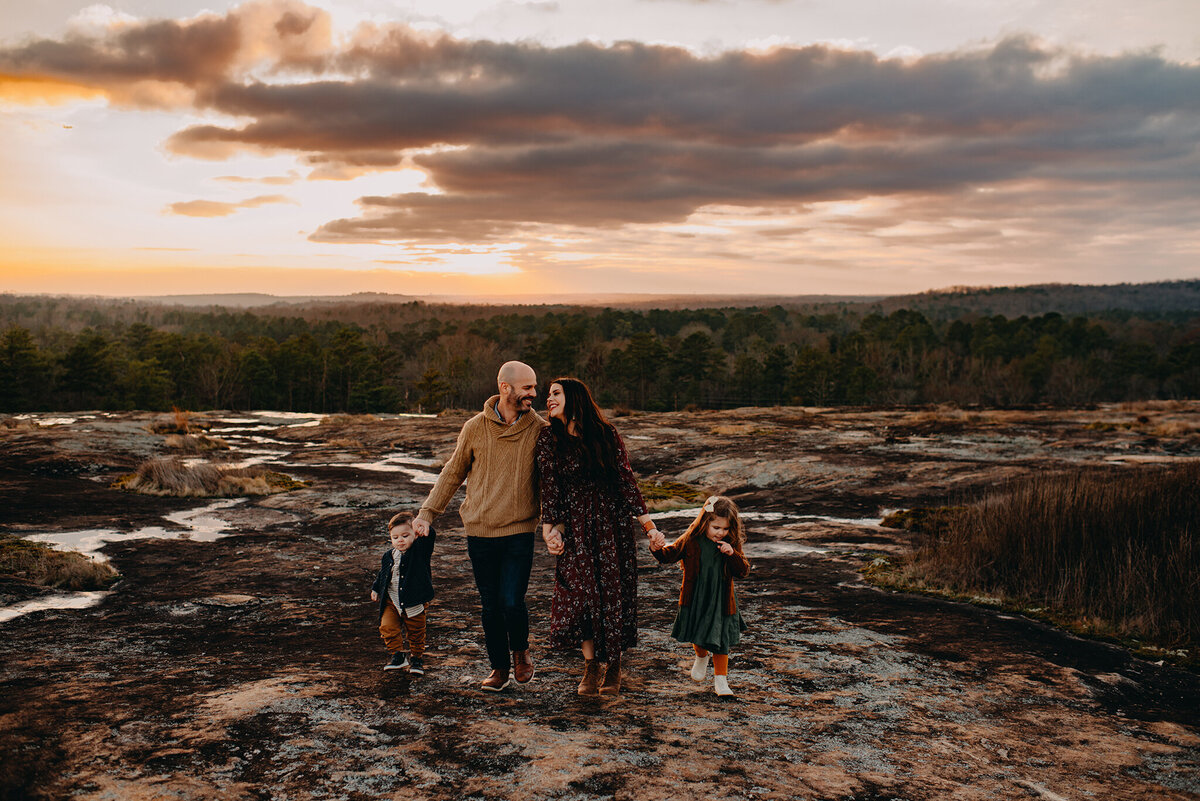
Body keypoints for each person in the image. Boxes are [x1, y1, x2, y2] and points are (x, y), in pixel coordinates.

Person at [413, 361, 547, 692]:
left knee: (512, 602)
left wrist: (557, 523)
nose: (534, 393)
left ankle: (520, 652)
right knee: (490, 605)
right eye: (527, 387)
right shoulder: (474, 427)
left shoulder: (540, 429)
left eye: (534, 386)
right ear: (506, 388)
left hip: (519, 532)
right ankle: (499, 668)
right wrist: (427, 513)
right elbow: (453, 471)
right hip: (480, 533)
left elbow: (554, 481)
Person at [536, 377, 666, 697]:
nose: (548, 399)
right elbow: (550, 490)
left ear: (574, 397)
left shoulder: (605, 434)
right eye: (547, 394)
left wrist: (650, 529)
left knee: (611, 595)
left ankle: (615, 665)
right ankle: (591, 665)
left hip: (611, 525)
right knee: (579, 596)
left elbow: (625, 481)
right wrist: (549, 530)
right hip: (575, 528)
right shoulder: (548, 438)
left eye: (555, 394)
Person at [650, 495, 750, 697]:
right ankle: (701, 656)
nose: (721, 533)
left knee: (721, 640)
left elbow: (743, 571)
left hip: (721, 600)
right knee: (697, 632)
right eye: (716, 528)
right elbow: (670, 554)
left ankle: (721, 682)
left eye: (726, 529)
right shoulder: (691, 540)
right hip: (696, 598)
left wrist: (733, 555)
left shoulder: (729, 544)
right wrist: (656, 549)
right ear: (704, 523)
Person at [370, 511, 436, 676]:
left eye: (405, 535)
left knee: (416, 633)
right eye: (395, 537)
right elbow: (383, 573)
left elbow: (430, 539)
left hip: (414, 601)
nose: (400, 540)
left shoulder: (419, 552)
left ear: (415, 534)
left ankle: (417, 659)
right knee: (387, 627)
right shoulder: (388, 556)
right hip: (391, 600)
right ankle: (398, 656)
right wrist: (376, 588)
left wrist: (424, 526)